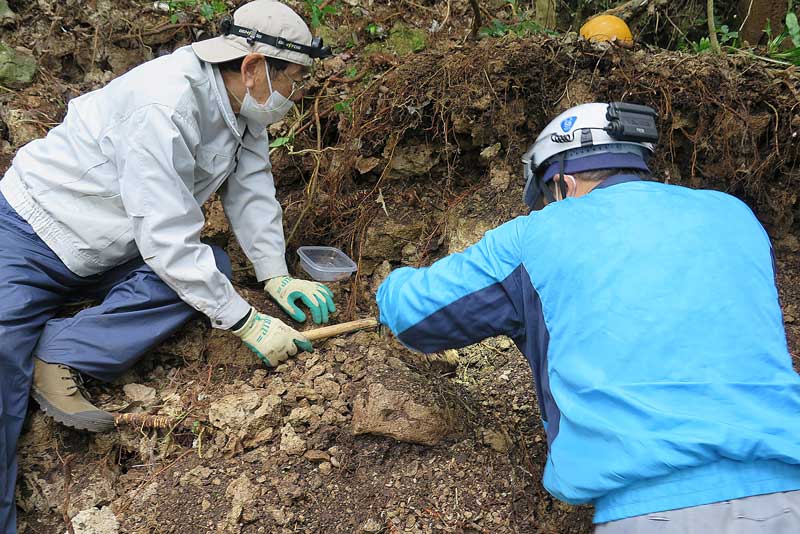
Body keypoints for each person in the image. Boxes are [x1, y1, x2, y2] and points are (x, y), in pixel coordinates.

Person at [377, 102, 800, 532]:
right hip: (789, 491)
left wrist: (387, 287)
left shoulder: (538, 234)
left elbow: (416, 316)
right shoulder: (735, 216)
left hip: (655, 513)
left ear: (561, 183)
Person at [0, 1, 335, 531]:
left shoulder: (243, 107)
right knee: (0, 361)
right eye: (294, 78)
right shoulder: (165, 103)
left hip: (115, 244)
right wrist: (246, 322)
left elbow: (251, 192)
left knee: (212, 270)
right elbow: (166, 237)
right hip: (31, 233)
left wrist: (274, 273)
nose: (297, 93)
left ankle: (63, 349)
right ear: (253, 67)